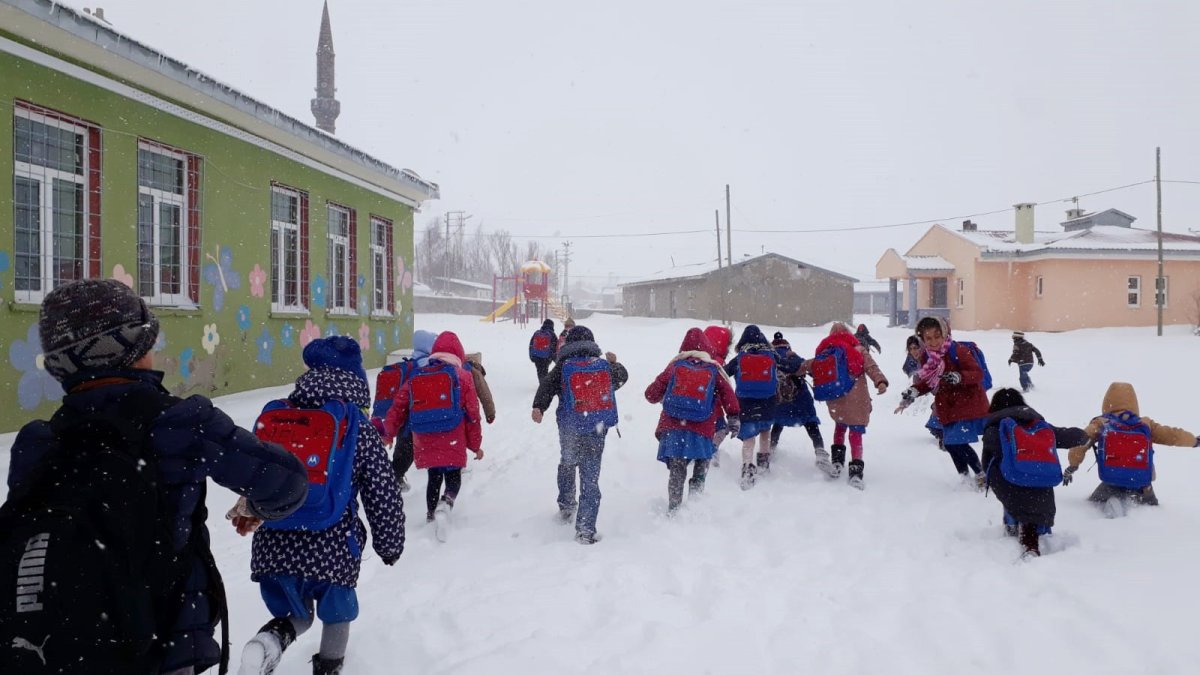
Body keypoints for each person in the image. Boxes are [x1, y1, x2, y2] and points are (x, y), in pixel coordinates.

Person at [2, 279, 308, 675]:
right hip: (162, 648)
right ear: (135, 350)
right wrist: (256, 504)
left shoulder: (38, 444)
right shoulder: (180, 423)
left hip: (59, 648)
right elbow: (287, 482)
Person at [237, 336, 405, 675]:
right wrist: (389, 545)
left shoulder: (282, 415)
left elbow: (255, 475)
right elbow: (382, 491)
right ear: (357, 382)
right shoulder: (357, 427)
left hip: (276, 540)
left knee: (297, 615)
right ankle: (328, 669)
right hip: (333, 543)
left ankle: (267, 642)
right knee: (336, 613)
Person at [532, 325, 628, 544]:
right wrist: (615, 363)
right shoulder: (603, 366)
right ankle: (585, 529)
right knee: (590, 477)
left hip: (570, 427)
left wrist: (539, 407)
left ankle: (566, 505)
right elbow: (622, 378)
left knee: (567, 463)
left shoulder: (563, 366)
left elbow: (546, 386)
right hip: (596, 428)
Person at [383, 331, 484, 539]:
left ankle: (430, 515)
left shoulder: (417, 375)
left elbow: (399, 406)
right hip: (453, 433)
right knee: (453, 477)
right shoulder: (462, 376)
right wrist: (475, 445)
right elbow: (473, 413)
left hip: (424, 436)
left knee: (434, 476)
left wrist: (389, 433)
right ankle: (446, 503)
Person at [1062, 382, 1199, 517]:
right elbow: (1172, 435)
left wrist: (1072, 466)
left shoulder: (1101, 423)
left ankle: (1110, 512)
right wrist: (1194, 441)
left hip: (1111, 479)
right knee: (1155, 514)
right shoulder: (1145, 424)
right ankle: (1142, 519)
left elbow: (1080, 443)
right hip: (1142, 484)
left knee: (1092, 506)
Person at [979, 388, 1087, 559]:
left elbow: (988, 459)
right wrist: (1083, 435)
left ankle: (1017, 531)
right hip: (1040, 478)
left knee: (1014, 499)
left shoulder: (995, 426)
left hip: (1011, 479)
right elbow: (1062, 436)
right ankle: (1037, 535)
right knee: (1036, 508)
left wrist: (992, 478)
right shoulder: (1036, 424)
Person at [644, 328, 740, 513]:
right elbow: (728, 395)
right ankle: (696, 503)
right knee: (702, 463)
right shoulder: (713, 368)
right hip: (702, 427)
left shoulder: (675, 366)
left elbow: (651, 394)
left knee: (677, 469)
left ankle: (674, 508)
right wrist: (733, 416)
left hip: (674, 427)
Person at [896, 317, 989, 488]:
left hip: (966, 404)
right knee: (951, 443)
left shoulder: (958, 351)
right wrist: (914, 390)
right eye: (928, 338)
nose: (933, 342)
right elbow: (928, 381)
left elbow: (977, 374)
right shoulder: (927, 358)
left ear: (945, 334)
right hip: (947, 407)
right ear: (922, 339)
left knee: (956, 442)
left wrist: (959, 377)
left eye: (937, 336)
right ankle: (965, 477)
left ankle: (980, 474)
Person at [802, 323, 887, 487]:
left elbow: (809, 366)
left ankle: (837, 462)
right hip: (857, 398)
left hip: (836, 398)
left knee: (840, 427)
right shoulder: (859, 349)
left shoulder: (826, 351)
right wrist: (880, 381)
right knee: (855, 434)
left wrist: (790, 365)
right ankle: (856, 471)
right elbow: (871, 366)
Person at [725, 325, 792, 489]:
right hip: (767, 400)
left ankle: (747, 467)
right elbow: (787, 366)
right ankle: (763, 462)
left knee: (748, 436)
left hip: (745, 400)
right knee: (765, 430)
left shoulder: (741, 356)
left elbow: (725, 372)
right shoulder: (771, 354)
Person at [371, 328, 438, 493]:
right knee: (408, 450)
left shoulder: (408, 363)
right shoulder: (424, 364)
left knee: (404, 448)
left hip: (398, 414)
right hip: (412, 416)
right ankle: (394, 479)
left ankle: (394, 477)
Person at [769, 332, 826, 469]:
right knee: (811, 423)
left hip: (780, 401)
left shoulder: (770, 359)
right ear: (788, 346)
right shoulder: (794, 357)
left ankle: (770, 450)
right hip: (801, 400)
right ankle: (820, 453)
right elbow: (811, 370)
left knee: (777, 424)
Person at [703, 325, 735, 468]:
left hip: (694, 403)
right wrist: (732, 411)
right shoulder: (718, 363)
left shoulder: (695, 355)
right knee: (721, 429)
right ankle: (710, 452)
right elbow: (724, 390)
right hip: (712, 406)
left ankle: (701, 450)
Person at [528, 318, 557, 383]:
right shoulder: (552, 334)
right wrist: (554, 358)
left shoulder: (537, 333)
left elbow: (531, 345)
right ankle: (544, 385)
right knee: (545, 370)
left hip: (537, 356)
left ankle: (541, 383)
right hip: (546, 357)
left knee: (539, 371)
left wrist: (531, 356)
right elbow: (555, 347)